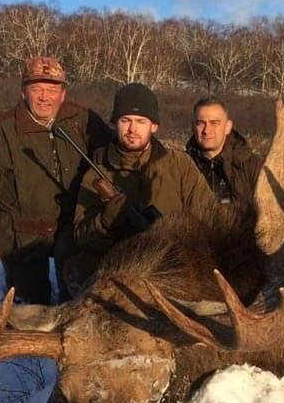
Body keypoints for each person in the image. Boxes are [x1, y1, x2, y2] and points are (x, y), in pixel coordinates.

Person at [0, 56, 111, 304]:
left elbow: (115, 157)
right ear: (23, 92)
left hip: (71, 230)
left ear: (63, 93)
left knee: (78, 301)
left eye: (52, 89)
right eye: (36, 89)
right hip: (20, 235)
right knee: (28, 309)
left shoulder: (83, 120)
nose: (44, 97)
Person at [68, 83, 216, 291]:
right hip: (117, 277)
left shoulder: (179, 165)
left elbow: (210, 219)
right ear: (114, 123)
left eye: (141, 121)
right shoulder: (96, 173)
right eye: (125, 120)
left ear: (154, 126)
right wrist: (106, 221)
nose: (132, 129)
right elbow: (81, 238)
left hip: (174, 275)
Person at [186, 97, 263, 207]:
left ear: (227, 127)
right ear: (193, 126)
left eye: (214, 123)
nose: (206, 130)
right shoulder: (181, 166)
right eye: (201, 123)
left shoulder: (252, 167)